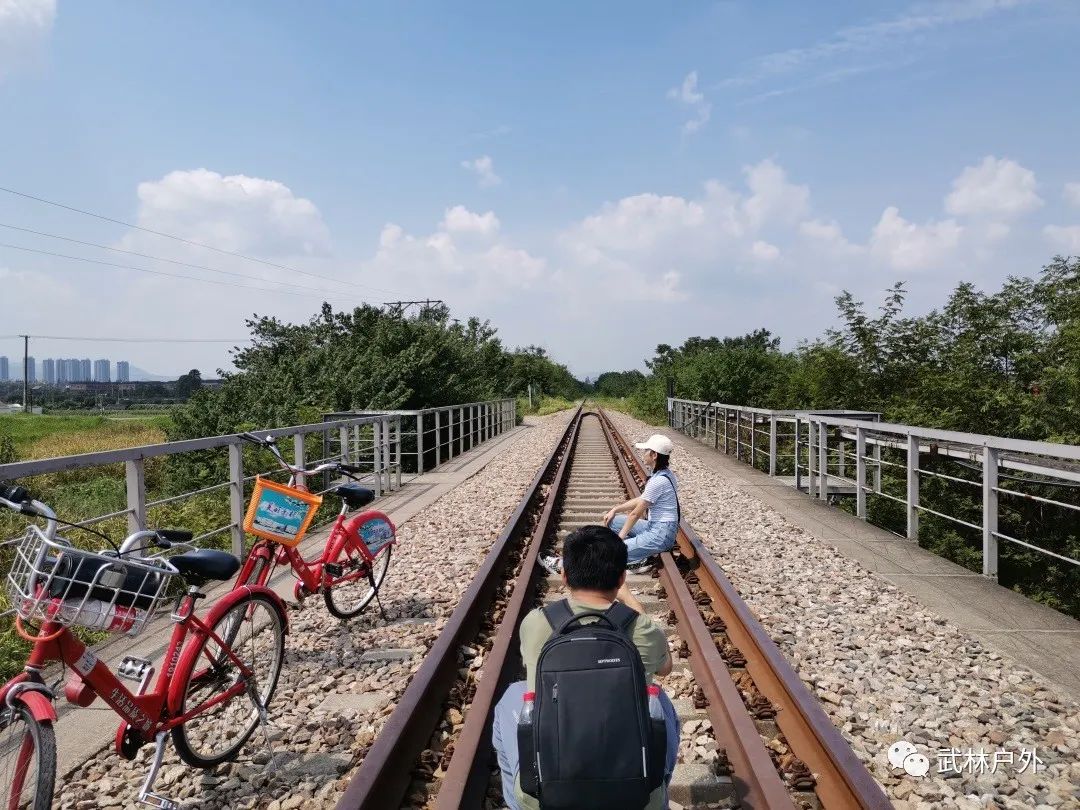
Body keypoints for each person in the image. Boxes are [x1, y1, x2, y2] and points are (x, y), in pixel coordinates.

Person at [493, 525, 680, 810]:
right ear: (621, 578)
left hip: (550, 795)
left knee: (512, 696)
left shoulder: (536, 623)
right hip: (634, 795)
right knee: (660, 700)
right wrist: (628, 600)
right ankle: (656, 794)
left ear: (565, 576)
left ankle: (525, 800)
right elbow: (665, 666)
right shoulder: (641, 628)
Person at [604, 434, 680, 572]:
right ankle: (636, 550)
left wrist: (619, 539)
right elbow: (642, 499)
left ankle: (639, 559)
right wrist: (615, 509)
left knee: (612, 551)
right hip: (655, 526)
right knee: (612, 521)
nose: (643, 454)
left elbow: (635, 514)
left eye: (646, 451)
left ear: (654, 455)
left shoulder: (658, 481)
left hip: (660, 534)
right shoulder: (665, 474)